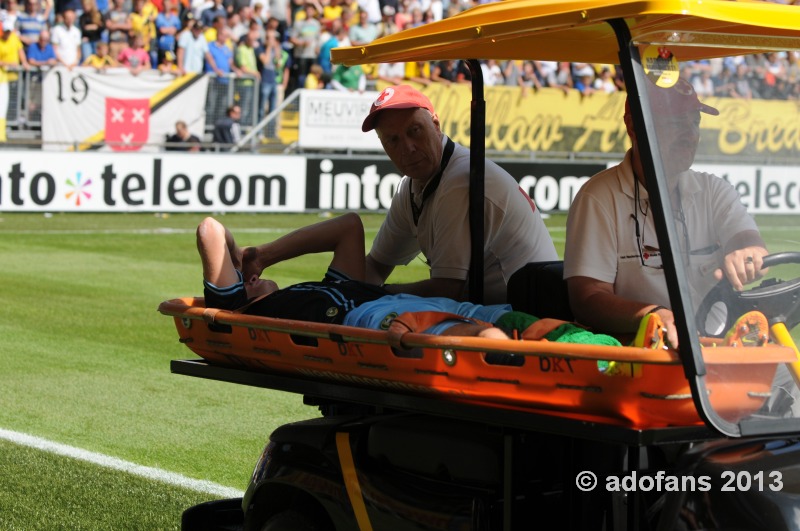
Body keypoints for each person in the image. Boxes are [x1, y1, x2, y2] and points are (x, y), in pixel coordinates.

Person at [197, 213, 622, 346]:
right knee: (480, 334)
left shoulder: (323, 286)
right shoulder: (243, 310)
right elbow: (211, 230)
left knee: (523, 323)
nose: (247, 278)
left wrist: (258, 257)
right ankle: (486, 339)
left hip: (419, 306)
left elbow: (348, 226)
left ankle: (610, 349)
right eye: (240, 277)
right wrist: (240, 264)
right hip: (369, 319)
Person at [564, 78, 768, 349]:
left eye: (694, 122)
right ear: (633, 125)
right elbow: (587, 299)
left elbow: (747, 240)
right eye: (675, 122)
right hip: (647, 356)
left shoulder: (713, 190)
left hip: (719, 350)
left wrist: (747, 250)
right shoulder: (599, 197)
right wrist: (653, 316)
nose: (689, 133)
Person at [361, 85, 558, 305]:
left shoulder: (458, 180)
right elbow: (376, 265)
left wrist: (376, 294)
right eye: (393, 140)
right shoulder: (412, 186)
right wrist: (342, 290)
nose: (408, 148)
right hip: (504, 307)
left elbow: (446, 290)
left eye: (414, 130)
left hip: (524, 315)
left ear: (436, 125)